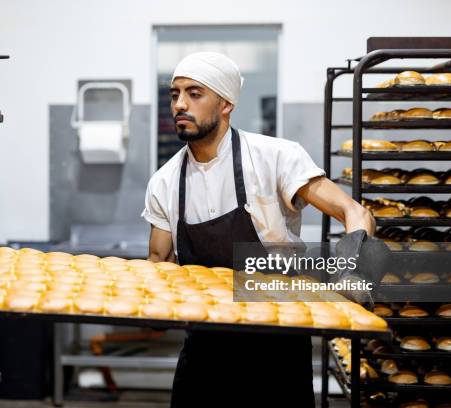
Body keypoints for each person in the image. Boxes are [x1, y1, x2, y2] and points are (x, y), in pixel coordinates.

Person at [141, 52, 375, 407]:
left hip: (277, 344)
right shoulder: (165, 182)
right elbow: (160, 261)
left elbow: (353, 212)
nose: (180, 104)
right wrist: (151, 308)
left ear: (226, 103)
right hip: (206, 348)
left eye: (194, 93)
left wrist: (351, 268)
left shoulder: (274, 158)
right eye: (175, 94)